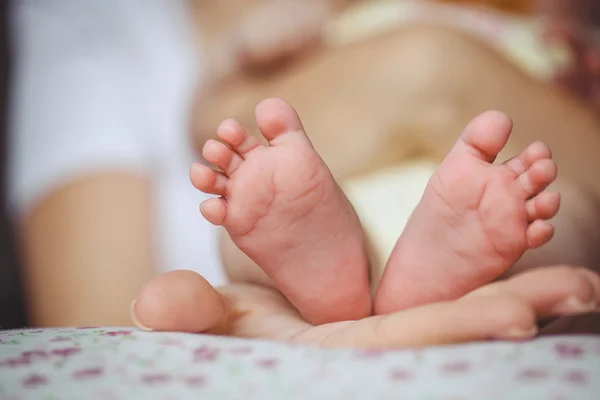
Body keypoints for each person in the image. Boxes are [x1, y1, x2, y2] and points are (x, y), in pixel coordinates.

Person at [131, 0, 600, 338]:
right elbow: (206, 123)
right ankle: (338, 275)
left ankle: (435, 275)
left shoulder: (551, 45)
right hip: (342, 205)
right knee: (262, 207)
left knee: (561, 209)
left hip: (480, 213)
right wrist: (240, 54)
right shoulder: (336, 20)